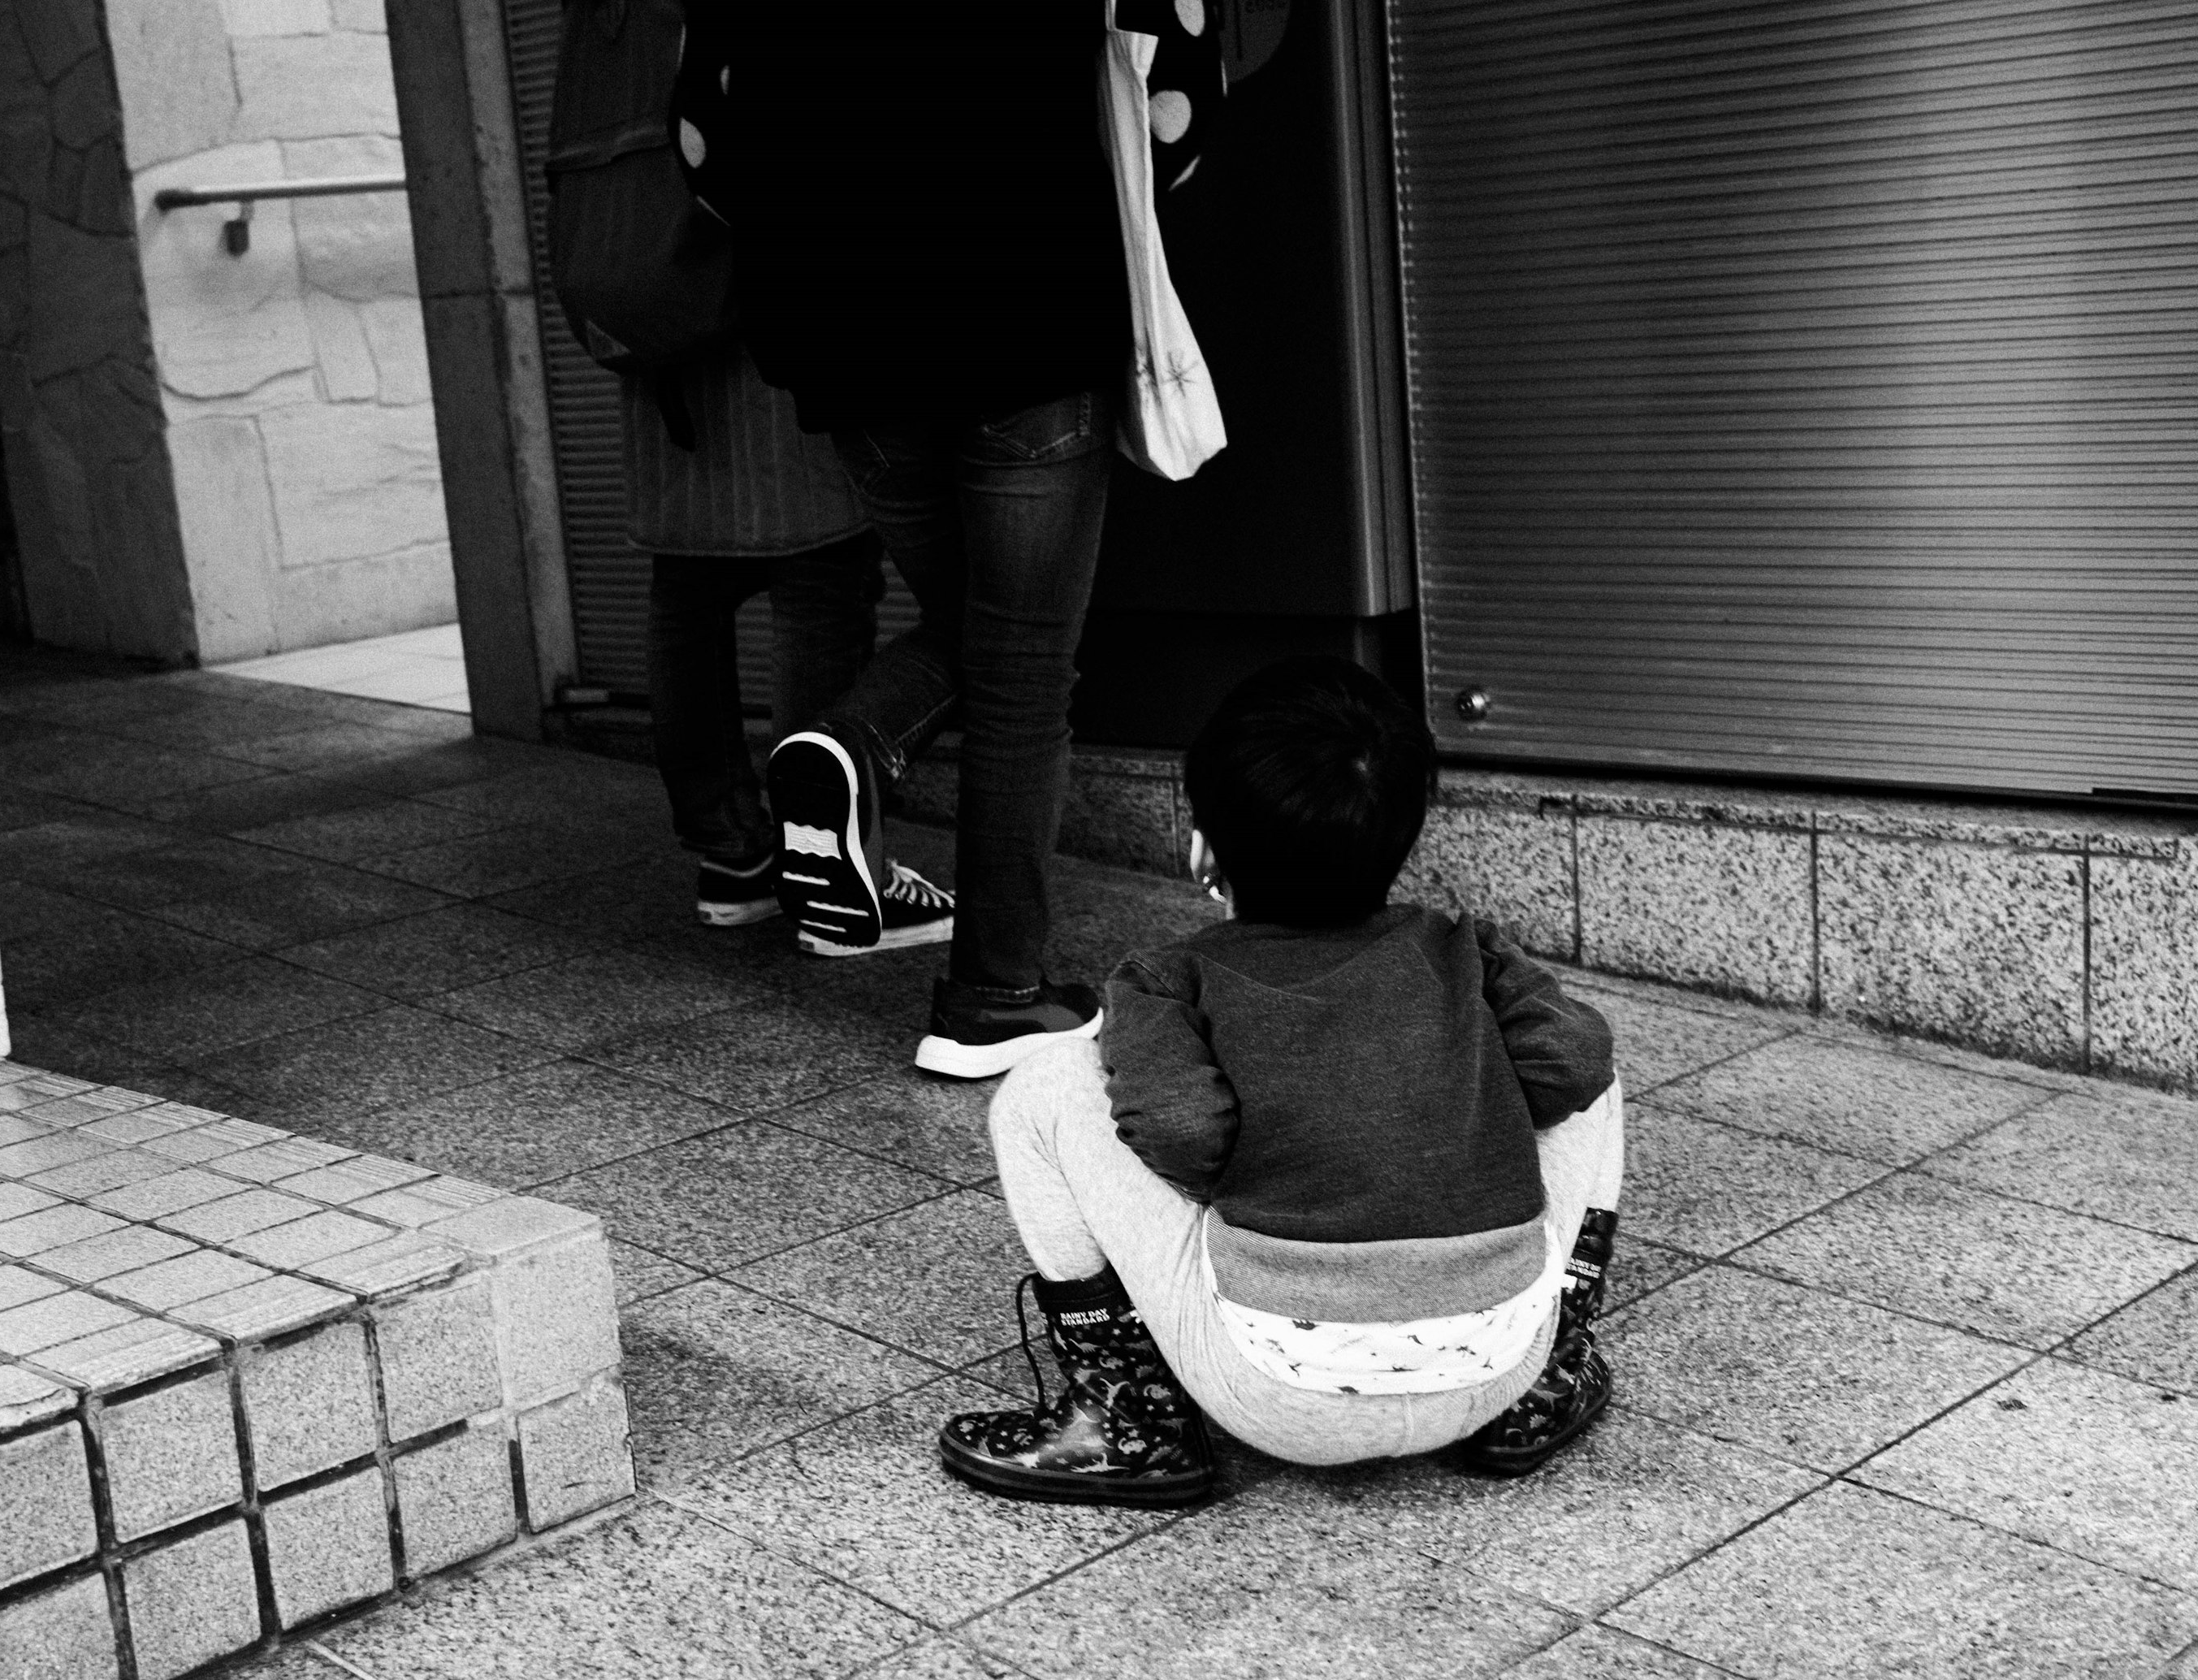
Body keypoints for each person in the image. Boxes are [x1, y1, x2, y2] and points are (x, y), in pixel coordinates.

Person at [671, 0, 1226, 1075]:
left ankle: (852, 746)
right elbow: (1175, 114)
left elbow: (705, 144)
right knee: (1020, 665)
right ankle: (994, 993)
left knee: (982, 631)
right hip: (1030, 310)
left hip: (848, 345)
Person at [937, 656, 1625, 1504]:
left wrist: (1279, 1159)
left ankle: (1129, 1422)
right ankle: (1555, 1372)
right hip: (1499, 1371)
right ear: (1405, 837)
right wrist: (1447, 1115)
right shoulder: (1462, 948)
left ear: (1202, 845)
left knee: (1042, 1085)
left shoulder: (1166, 977)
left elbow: (1185, 1131)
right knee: (1588, 1053)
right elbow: (1570, 1066)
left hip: (1276, 1396)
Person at [623, 344, 902, 935]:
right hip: (780, 379)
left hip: (668, 386)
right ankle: (826, 869)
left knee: (686, 601)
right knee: (822, 589)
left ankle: (732, 857)